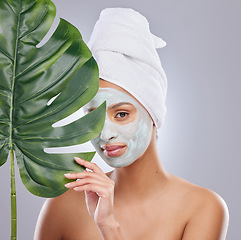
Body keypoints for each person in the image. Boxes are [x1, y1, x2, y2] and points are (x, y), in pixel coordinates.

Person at [34, 8, 229, 240]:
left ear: (153, 112)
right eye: (93, 117)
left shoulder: (202, 208)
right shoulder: (63, 204)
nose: (105, 134)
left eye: (122, 114)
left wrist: (109, 227)